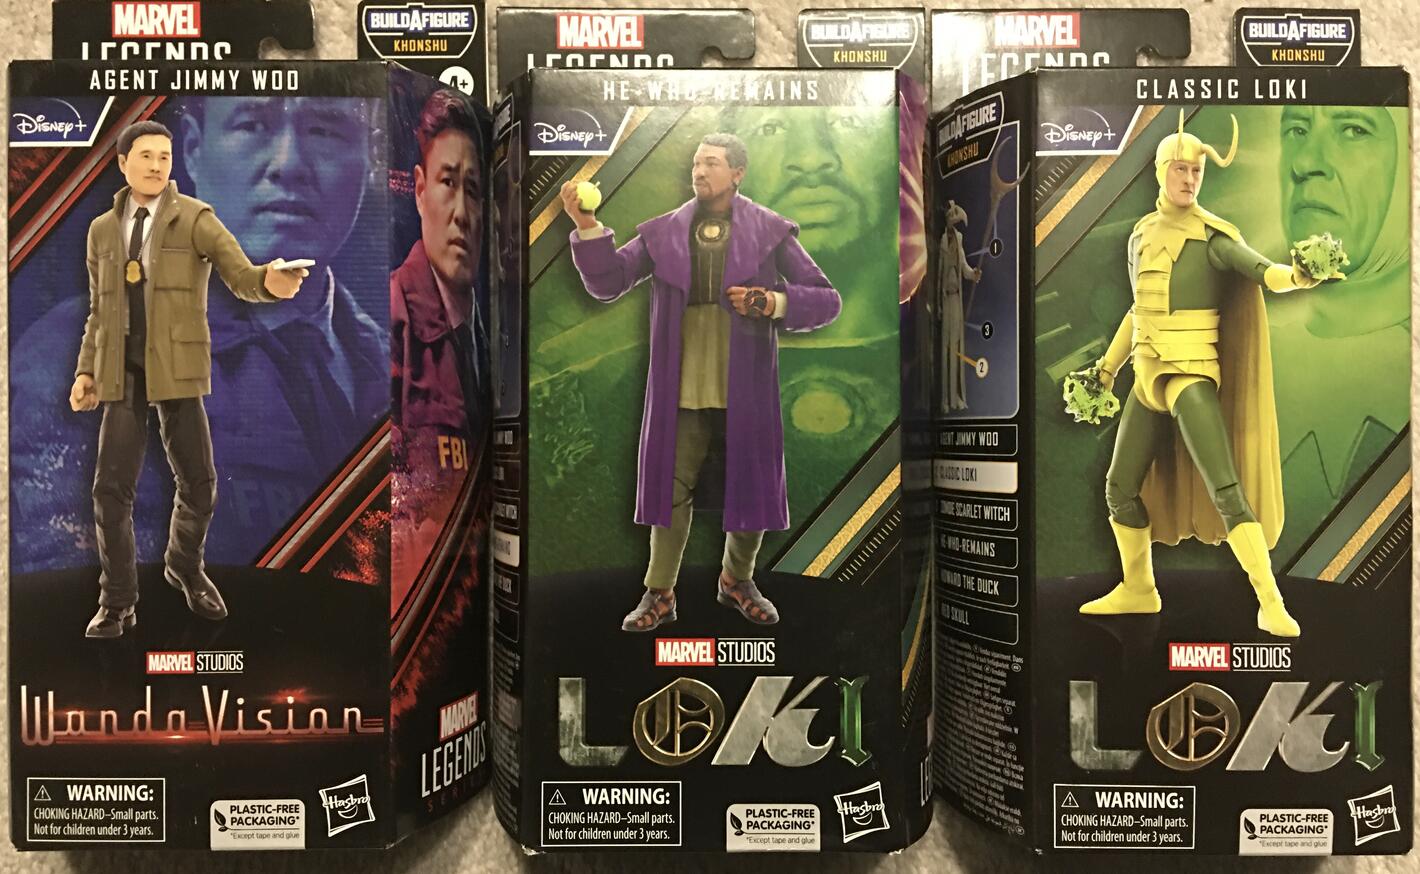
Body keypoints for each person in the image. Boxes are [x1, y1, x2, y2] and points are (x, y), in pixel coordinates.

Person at [10, 96, 387, 576]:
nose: (289, 165)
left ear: (371, 158)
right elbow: (73, 585)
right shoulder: (61, 355)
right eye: (252, 125)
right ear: (192, 149)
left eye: (325, 131)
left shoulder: (397, 364)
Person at [1070, 112, 1341, 639]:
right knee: (1119, 487)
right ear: (1160, 172)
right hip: (1146, 376)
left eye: (1197, 170)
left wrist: (1300, 274)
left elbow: (1265, 273)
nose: (1190, 178)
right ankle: (1139, 588)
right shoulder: (1141, 235)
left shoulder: (1213, 237)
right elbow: (1138, 311)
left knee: (1227, 491)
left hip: (1190, 375)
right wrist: (1105, 371)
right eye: (1181, 168)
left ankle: (1270, 601)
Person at [561, 133, 841, 631]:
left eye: (711, 162)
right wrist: (587, 226)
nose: (699, 170)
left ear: (737, 172)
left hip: (746, 387)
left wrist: (771, 302)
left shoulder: (771, 230)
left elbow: (826, 299)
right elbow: (609, 282)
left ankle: (737, 580)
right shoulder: (664, 231)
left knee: (751, 486)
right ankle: (660, 592)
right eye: (695, 162)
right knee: (669, 489)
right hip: (681, 387)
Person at [75, 120, 308, 638]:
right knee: (110, 490)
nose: (157, 166)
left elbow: (241, 276)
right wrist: (86, 370)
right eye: (146, 156)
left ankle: (183, 565)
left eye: (165, 156)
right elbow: (98, 310)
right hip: (122, 371)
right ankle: (117, 601)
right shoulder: (101, 231)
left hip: (177, 368)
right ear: (123, 163)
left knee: (200, 483)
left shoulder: (196, 218)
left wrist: (269, 282)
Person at [390, 88, 488, 598]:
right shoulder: (392, 322)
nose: (462, 213)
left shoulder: (491, 341)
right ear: (420, 190)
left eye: (475, 190)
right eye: (449, 183)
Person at [937, 201, 981, 412]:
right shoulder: (941, 241)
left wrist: (973, 274)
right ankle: (945, 400)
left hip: (955, 299)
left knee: (955, 347)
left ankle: (956, 397)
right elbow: (937, 275)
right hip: (944, 300)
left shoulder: (959, 239)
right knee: (946, 348)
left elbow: (963, 266)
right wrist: (938, 304)